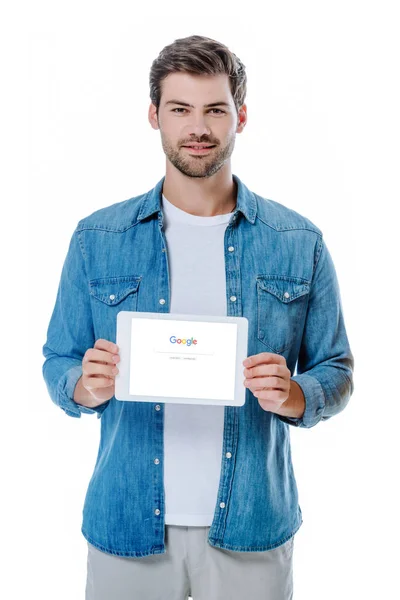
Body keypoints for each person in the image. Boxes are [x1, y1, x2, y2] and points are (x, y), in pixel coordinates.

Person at [42, 34, 355, 600]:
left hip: (252, 526)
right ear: (154, 116)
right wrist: (83, 387)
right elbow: (57, 360)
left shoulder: (297, 241)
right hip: (127, 524)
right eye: (180, 109)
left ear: (240, 116)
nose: (198, 127)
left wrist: (296, 396)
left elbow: (336, 368)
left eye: (214, 109)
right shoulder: (98, 238)